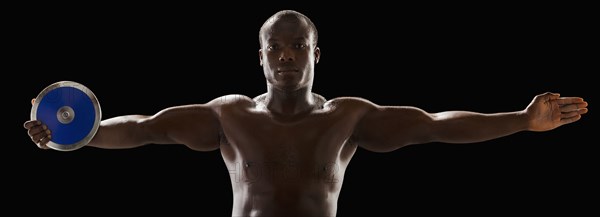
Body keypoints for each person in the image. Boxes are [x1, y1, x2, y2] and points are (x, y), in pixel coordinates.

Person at [24, 10, 588, 217]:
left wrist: (520, 120)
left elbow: (437, 126)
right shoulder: (228, 116)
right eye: (275, 47)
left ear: (316, 54)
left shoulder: (347, 118)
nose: (286, 57)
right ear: (261, 56)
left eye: (297, 47)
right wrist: (70, 139)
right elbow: (143, 130)